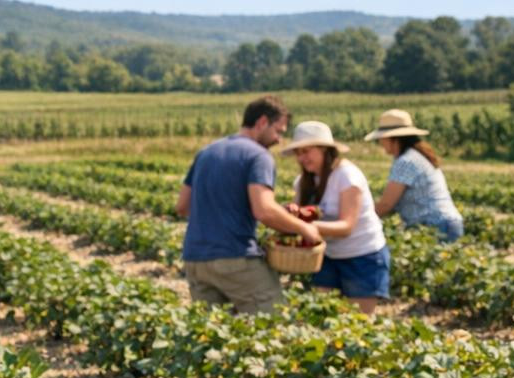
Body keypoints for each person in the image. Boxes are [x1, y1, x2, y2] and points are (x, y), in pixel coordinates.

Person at [176, 96, 323, 313]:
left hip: (195, 259)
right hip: (235, 258)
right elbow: (264, 210)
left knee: (212, 334)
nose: (279, 139)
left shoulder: (206, 153)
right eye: (278, 131)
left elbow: (182, 207)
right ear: (262, 122)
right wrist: (304, 228)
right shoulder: (258, 156)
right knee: (272, 322)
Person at [280, 121, 390, 315]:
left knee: (359, 323)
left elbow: (347, 227)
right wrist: (288, 218)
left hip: (362, 256)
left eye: (307, 151)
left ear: (325, 150)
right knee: (322, 316)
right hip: (327, 256)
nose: (302, 158)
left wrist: (305, 225)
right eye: (298, 153)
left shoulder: (346, 175)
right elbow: (298, 216)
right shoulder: (303, 182)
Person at [366, 109, 463, 243]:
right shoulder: (416, 155)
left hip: (437, 226)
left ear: (393, 139)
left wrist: (360, 221)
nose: (381, 142)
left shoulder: (406, 161)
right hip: (445, 224)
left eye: (382, 138)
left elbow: (387, 204)